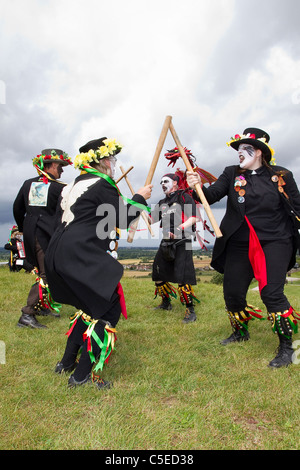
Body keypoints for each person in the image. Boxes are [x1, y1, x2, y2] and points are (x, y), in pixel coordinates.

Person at [44, 137, 152, 390]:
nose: (114, 165)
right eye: (112, 160)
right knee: (107, 311)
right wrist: (140, 196)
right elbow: (123, 219)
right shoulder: (103, 183)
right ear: (104, 161)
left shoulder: (72, 184)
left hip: (59, 252)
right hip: (80, 253)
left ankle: (66, 363)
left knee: (88, 307)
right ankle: (81, 376)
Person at [187, 127, 300, 368]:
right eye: (238, 149)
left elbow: (297, 208)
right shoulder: (231, 173)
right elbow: (210, 196)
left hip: (275, 241)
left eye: (245, 149)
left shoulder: (282, 175)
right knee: (233, 293)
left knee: (271, 293)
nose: (239, 153)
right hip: (239, 242)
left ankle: (286, 347)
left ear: (259, 152)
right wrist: (195, 186)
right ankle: (240, 332)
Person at [13, 148, 73, 328]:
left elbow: (17, 209)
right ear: (52, 165)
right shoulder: (59, 188)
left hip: (31, 234)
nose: (62, 170)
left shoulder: (27, 184)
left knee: (43, 271)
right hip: (47, 236)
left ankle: (40, 306)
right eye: (60, 167)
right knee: (47, 273)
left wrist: (25, 229)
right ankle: (27, 313)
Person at [151, 173, 200, 323]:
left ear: (175, 183)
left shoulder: (184, 197)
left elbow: (194, 217)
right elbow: (151, 218)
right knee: (157, 272)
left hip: (182, 240)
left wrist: (178, 229)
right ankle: (166, 303)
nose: (162, 184)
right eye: (161, 182)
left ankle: (190, 310)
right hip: (166, 241)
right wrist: (138, 209)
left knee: (182, 276)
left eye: (166, 181)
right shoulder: (162, 202)